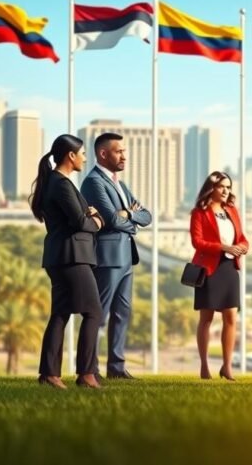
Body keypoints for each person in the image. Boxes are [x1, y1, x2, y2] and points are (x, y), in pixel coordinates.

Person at [30, 134, 105, 389]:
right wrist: (97, 220)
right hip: (72, 257)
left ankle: (49, 374)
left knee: (61, 313)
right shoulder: (61, 184)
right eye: (82, 153)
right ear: (71, 156)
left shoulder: (56, 182)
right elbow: (80, 221)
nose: (85, 158)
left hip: (62, 256)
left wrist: (90, 215)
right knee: (93, 312)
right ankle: (86, 373)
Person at [79, 132, 152, 380]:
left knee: (122, 313)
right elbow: (110, 219)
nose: (124, 156)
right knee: (99, 315)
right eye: (119, 151)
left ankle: (116, 367)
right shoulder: (93, 182)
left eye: (124, 151)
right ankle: (90, 368)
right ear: (103, 154)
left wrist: (128, 214)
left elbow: (147, 216)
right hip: (108, 258)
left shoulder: (120, 183)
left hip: (126, 258)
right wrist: (129, 220)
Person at [189, 171, 250, 381]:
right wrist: (224, 247)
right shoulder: (199, 212)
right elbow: (197, 242)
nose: (226, 191)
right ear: (212, 188)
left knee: (231, 317)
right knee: (206, 318)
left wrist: (243, 247)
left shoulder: (231, 210)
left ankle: (227, 367)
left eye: (228, 187)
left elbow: (242, 238)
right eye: (222, 186)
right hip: (209, 269)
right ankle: (204, 366)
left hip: (229, 268)